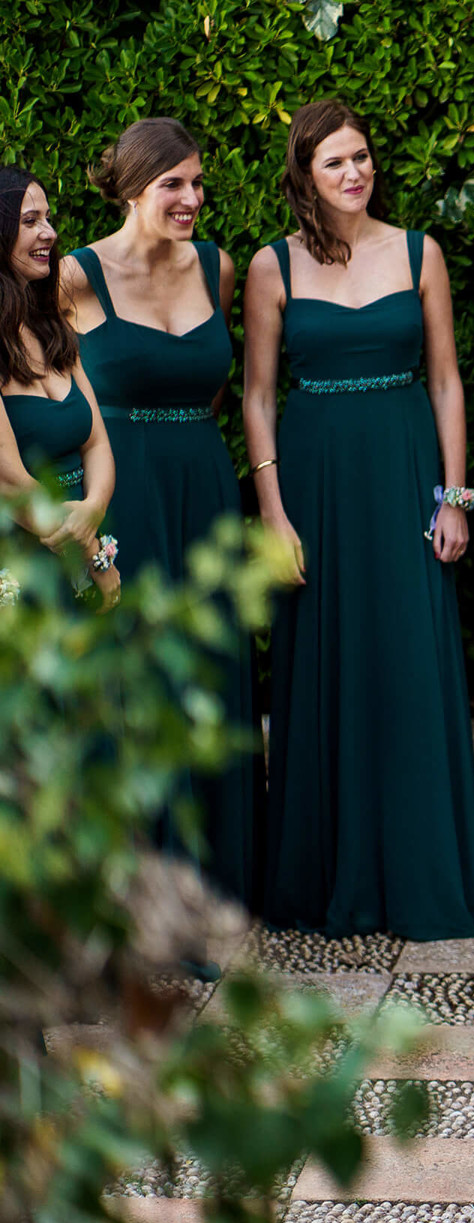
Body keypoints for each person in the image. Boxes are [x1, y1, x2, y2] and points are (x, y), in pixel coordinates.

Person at [243, 100, 474, 939]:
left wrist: (453, 495)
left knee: (410, 661)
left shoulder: (420, 252)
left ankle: (425, 875)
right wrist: (273, 513)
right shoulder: (270, 267)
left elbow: (448, 380)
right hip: (314, 481)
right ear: (304, 176)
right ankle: (327, 878)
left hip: (403, 473)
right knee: (324, 663)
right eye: (335, 163)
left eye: (362, 157)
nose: (355, 173)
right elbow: (256, 397)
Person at [60, 118, 256, 907]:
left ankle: (210, 885)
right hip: (121, 488)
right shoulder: (73, 275)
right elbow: (46, 389)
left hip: (204, 485)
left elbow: (211, 385)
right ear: (135, 186)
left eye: (198, 183)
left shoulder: (218, 267)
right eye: (173, 183)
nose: (192, 198)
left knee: (209, 666)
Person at [0, 166, 120, 608]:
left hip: (84, 540)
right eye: (30, 221)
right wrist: (95, 557)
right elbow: (9, 480)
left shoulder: (49, 327)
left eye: (48, 219)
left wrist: (93, 512)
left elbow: (97, 441)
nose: (48, 232)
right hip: (24, 557)